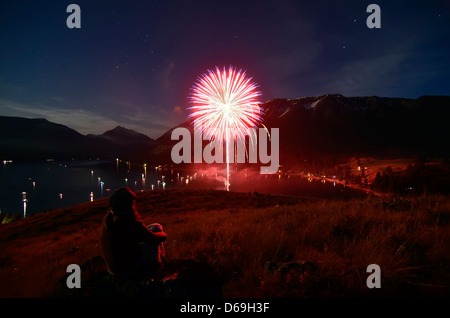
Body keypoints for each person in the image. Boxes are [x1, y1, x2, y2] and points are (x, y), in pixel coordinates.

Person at [100, 187, 167, 278]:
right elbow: (153, 238)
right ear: (129, 204)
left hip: (112, 269)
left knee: (153, 227)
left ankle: (158, 260)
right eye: (133, 202)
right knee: (157, 228)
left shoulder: (109, 218)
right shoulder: (129, 221)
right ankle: (157, 265)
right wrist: (164, 234)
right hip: (128, 269)